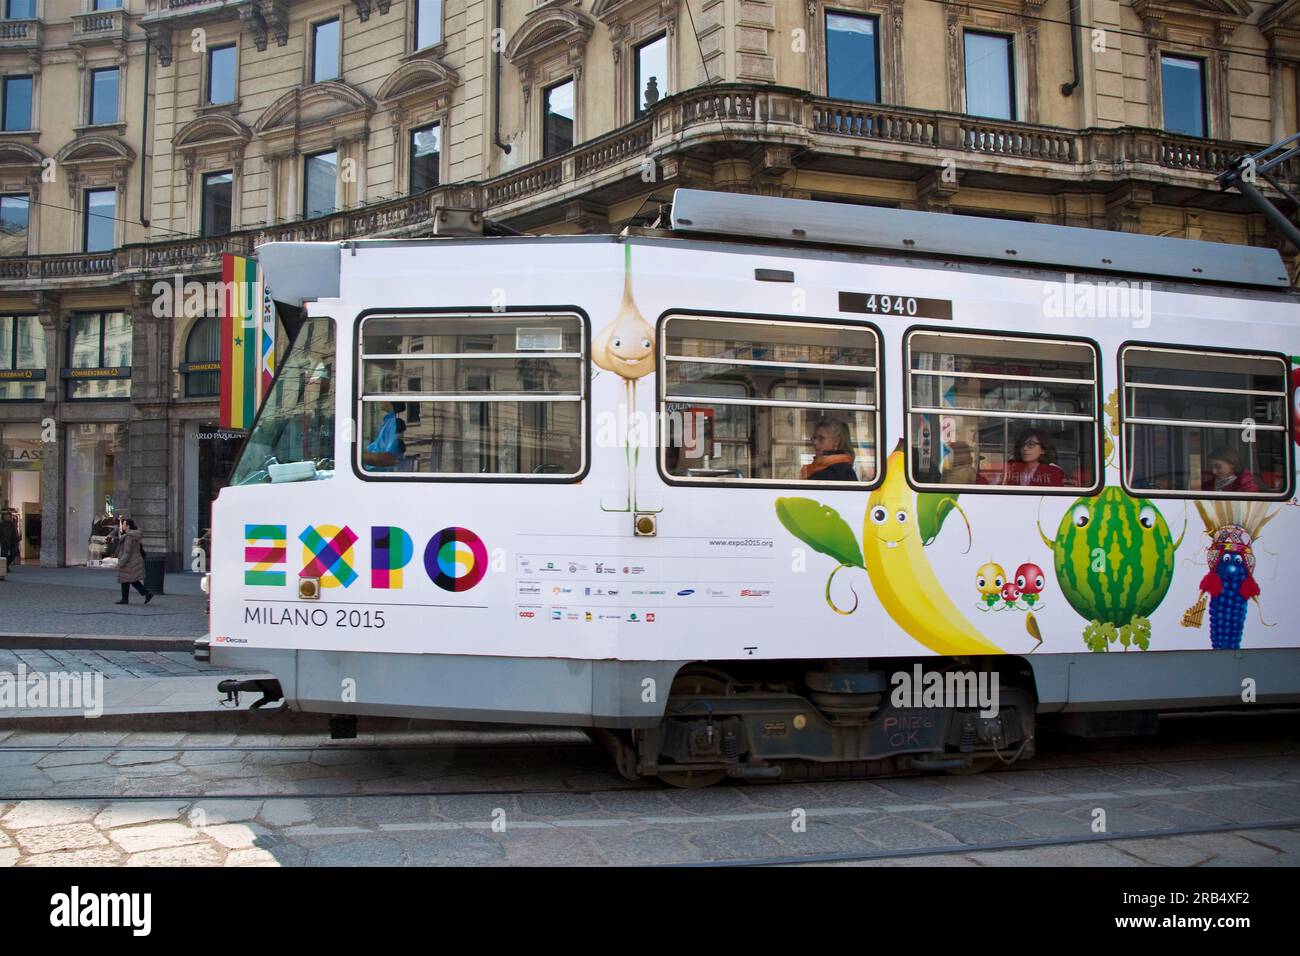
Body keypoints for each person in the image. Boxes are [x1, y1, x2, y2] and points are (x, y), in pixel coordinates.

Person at [1003, 429, 1067, 487]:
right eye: (1022, 445)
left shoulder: (1053, 471)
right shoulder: (1013, 469)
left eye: (1031, 444)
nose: (1025, 449)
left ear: (1043, 449)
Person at [114, 518, 153, 605]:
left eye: (123, 524)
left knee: (127, 579)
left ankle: (127, 599)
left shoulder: (129, 537)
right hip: (134, 560)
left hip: (129, 561)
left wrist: (121, 562)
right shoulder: (133, 535)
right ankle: (145, 594)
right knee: (129, 580)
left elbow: (127, 552)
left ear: (127, 526)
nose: (122, 526)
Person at [362, 401, 407, 471]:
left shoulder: (392, 423)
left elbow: (389, 458)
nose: (380, 401)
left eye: (383, 399)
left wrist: (360, 456)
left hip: (376, 470)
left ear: (390, 403)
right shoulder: (387, 421)